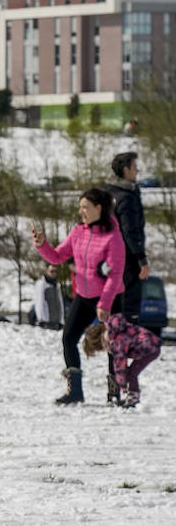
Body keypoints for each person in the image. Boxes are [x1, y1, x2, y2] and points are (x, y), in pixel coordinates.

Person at [32, 187, 127, 405]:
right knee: (68, 338)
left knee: (113, 344)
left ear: (98, 208)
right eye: (80, 207)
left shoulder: (113, 238)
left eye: (85, 207)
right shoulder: (78, 232)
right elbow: (56, 257)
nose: (81, 211)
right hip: (84, 296)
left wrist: (104, 303)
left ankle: (114, 393)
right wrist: (41, 245)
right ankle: (75, 390)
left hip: (110, 298)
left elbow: (115, 274)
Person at [104, 151, 150, 402]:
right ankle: (125, 384)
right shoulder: (127, 198)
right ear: (125, 170)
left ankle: (115, 386)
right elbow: (132, 233)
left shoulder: (110, 193)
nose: (137, 170)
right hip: (128, 266)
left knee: (116, 325)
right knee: (125, 326)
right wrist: (141, 259)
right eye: (134, 167)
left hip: (112, 264)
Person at [83, 314, 160, 409]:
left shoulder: (116, 342)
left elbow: (120, 364)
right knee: (130, 372)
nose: (105, 351)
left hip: (150, 349)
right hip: (151, 344)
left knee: (132, 373)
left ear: (101, 344)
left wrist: (122, 384)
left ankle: (133, 398)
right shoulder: (115, 330)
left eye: (102, 349)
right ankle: (132, 395)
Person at [31, 262, 64, 330]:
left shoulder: (56, 284)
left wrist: (61, 320)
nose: (54, 273)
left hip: (56, 322)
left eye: (55, 271)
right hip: (46, 323)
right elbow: (39, 302)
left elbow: (60, 303)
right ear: (47, 271)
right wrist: (41, 319)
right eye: (52, 271)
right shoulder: (42, 284)